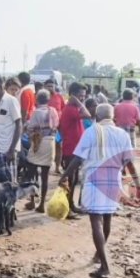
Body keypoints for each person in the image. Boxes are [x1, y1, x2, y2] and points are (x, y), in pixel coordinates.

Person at [59, 102, 140, 278]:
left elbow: (77, 158)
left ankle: (104, 266)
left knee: (95, 222)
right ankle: (100, 255)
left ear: (96, 117)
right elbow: (129, 163)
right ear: (112, 117)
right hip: (114, 181)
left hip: (94, 180)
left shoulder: (92, 132)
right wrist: (139, 187)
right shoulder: (122, 134)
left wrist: (65, 175)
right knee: (107, 219)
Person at [57, 82, 91, 216]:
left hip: (76, 148)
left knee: (74, 179)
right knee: (70, 179)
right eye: (80, 96)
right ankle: (67, 208)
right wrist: (78, 102)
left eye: (83, 96)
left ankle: (71, 205)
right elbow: (88, 114)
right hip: (71, 148)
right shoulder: (71, 109)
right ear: (73, 96)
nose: (82, 98)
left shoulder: (73, 108)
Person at [25, 89, 59, 212]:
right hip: (50, 142)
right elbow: (56, 125)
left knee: (32, 174)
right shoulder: (53, 111)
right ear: (48, 99)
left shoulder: (36, 112)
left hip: (38, 143)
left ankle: (33, 201)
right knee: (45, 176)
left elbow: (30, 128)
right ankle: (42, 204)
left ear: (37, 99)